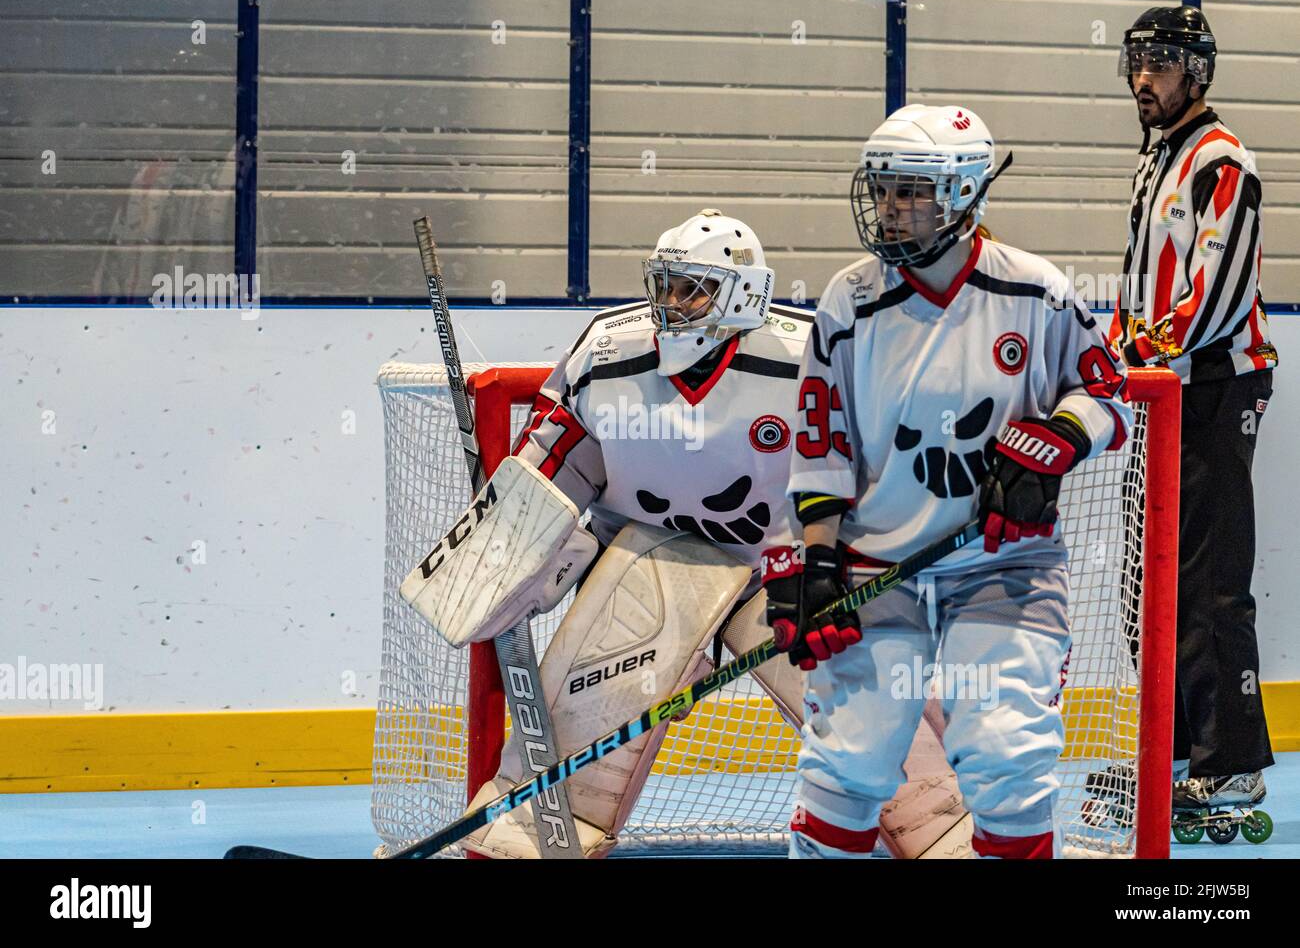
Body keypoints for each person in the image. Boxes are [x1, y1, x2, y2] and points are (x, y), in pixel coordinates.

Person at [410, 210, 969, 857]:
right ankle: (540, 825)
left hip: (786, 573)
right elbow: (553, 473)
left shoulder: (813, 359)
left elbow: (877, 482)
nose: (670, 304)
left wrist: (849, 571)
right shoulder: (606, 356)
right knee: (615, 648)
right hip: (649, 569)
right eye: (665, 285)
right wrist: (507, 560)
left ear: (743, 294)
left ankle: (947, 822)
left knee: (864, 680)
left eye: (692, 288)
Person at [765, 104, 1134, 858]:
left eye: (912, 192)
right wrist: (818, 560)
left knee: (1008, 754)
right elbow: (822, 440)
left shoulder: (1037, 291)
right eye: (885, 190)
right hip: (878, 568)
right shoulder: (849, 301)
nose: (891, 210)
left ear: (964, 192)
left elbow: (1107, 392)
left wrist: (1057, 444)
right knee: (851, 759)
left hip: (1005, 565)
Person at [1111, 5, 1277, 814]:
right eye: (1138, 62)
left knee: (1212, 580)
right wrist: (1112, 350)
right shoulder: (1157, 159)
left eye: (1162, 64)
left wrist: (1136, 353)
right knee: (1153, 578)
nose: (1145, 78)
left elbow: (1213, 298)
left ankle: (1232, 760)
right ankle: (1174, 752)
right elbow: (1139, 281)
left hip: (1213, 388)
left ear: (1197, 74)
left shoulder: (1223, 162)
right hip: (1163, 387)